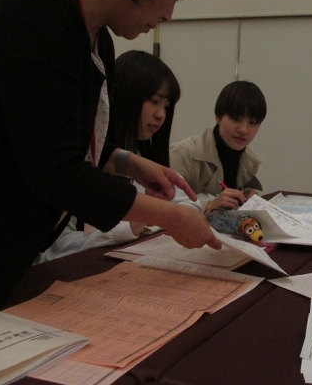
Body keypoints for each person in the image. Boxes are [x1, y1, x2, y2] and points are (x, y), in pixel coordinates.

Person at [0, 0, 221, 308]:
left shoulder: (97, 38)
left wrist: (128, 162)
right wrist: (169, 216)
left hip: (1, 253)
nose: (169, 14)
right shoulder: (38, 14)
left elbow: (59, 136)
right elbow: (54, 169)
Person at [35, 51, 201, 263]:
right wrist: (136, 221)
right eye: (154, 101)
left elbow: (189, 206)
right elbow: (53, 247)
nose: (161, 114)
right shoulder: (81, 159)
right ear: (123, 95)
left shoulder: (143, 158)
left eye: (166, 106)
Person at [169, 80, 267, 213]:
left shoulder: (251, 162)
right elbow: (161, 206)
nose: (244, 129)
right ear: (218, 117)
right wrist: (209, 205)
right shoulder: (183, 153)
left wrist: (248, 196)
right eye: (236, 119)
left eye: (253, 122)